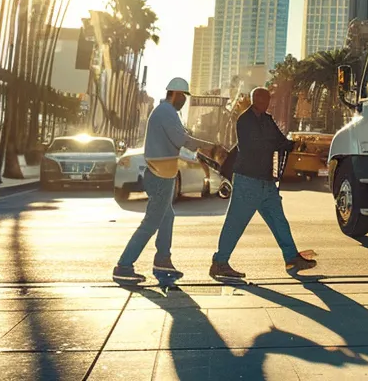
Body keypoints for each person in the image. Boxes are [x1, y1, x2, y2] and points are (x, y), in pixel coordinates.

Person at [210, 86, 318, 280]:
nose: (267, 103)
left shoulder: (267, 120)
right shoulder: (244, 120)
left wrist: (296, 144)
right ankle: (220, 262)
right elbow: (251, 146)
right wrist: (275, 143)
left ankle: (291, 257)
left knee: (279, 221)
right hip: (248, 181)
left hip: (266, 183)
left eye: (268, 99)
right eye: (263, 99)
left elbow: (279, 141)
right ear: (254, 100)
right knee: (235, 223)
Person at [113, 77, 212, 284]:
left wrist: (199, 145)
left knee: (167, 217)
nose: (184, 101)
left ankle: (162, 260)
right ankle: (124, 266)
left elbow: (181, 138)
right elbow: (181, 139)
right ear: (175, 94)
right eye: (183, 97)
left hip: (162, 174)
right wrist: (208, 146)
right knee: (151, 223)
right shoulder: (166, 112)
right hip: (159, 176)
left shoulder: (166, 112)